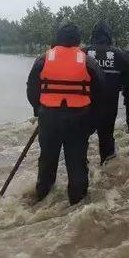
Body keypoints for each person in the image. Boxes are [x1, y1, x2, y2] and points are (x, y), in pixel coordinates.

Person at [26, 23, 107, 205]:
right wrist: (92, 120)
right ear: (78, 41)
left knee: (47, 159)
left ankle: (42, 197)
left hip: (49, 117)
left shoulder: (43, 59)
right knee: (77, 162)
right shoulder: (88, 61)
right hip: (78, 119)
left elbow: (32, 88)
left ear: (57, 39)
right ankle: (77, 203)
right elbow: (101, 92)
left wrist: (39, 110)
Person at [85, 21, 129, 164]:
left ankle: (83, 174)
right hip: (109, 107)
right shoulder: (119, 54)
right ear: (109, 35)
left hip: (84, 107)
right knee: (106, 141)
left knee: (80, 142)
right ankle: (106, 176)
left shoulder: (83, 53)